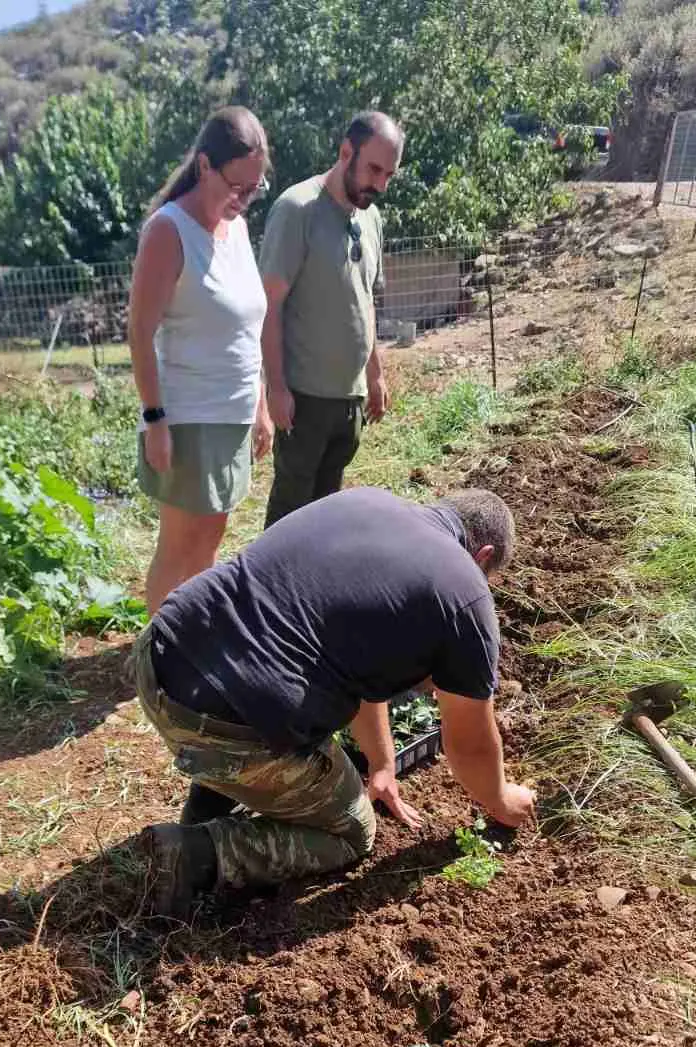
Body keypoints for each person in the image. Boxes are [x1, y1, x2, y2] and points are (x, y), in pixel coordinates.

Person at [132, 485, 536, 916]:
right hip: (224, 725)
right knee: (354, 832)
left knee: (264, 682)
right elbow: (469, 745)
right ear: (484, 556)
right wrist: (501, 800)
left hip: (160, 655)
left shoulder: (365, 502)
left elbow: (355, 660)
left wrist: (383, 763)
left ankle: (206, 805)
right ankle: (191, 854)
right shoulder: (465, 592)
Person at [128, 107, 275, 614]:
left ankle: (194, 640)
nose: (244, 199)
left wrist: (259, 404)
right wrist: (155, 420)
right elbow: (140, 332)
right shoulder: (168, 231)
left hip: (232, 414)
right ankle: (158, 666)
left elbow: (247, 323)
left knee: (211, 539)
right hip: (188, 417)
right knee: (177, 547)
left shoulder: (234, 230)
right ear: (206, 166)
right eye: (237, 185)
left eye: (255, 189)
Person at [260, 111, 404, 528]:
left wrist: (374, 374)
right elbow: (269, 306)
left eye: (389, 175)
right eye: (374, 169)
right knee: (289, 518)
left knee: (325, 516)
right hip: (303, 399)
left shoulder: (370, 217)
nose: (380, 184)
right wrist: (276, 388)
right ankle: (268, 591)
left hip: (350, 399)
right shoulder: (296, 210)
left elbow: (365, 301)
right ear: (345, 152)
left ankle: (312, 592)